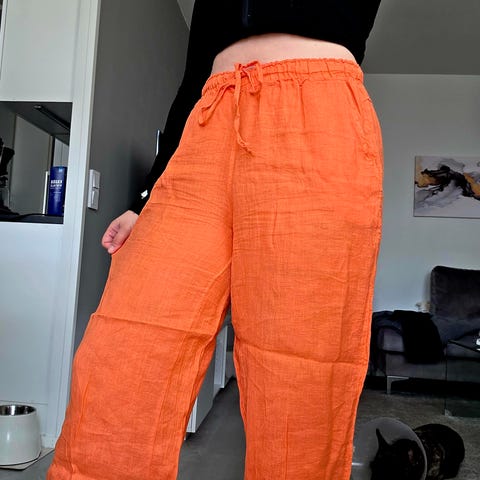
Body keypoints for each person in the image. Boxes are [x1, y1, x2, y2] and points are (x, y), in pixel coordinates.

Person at [48, 0, 383, 479]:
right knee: (124, 349)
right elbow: (192, 78)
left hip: (318, 111)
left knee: (302, 370)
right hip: (207, 120)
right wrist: (145, 199)